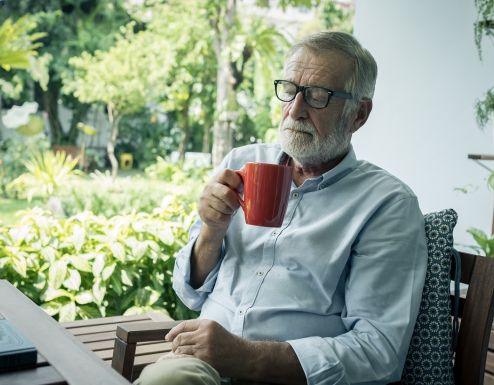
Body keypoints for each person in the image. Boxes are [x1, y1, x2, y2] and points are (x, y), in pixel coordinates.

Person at [136, 31, 427, 385]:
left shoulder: (386, 204)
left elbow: (379, 352)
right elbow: (190, 292)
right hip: (200, 367)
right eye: (289, 90)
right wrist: (211, 231)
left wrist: (247, 358)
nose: (295, 110)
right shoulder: (242, 163)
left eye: (318, 96)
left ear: (359, 114)